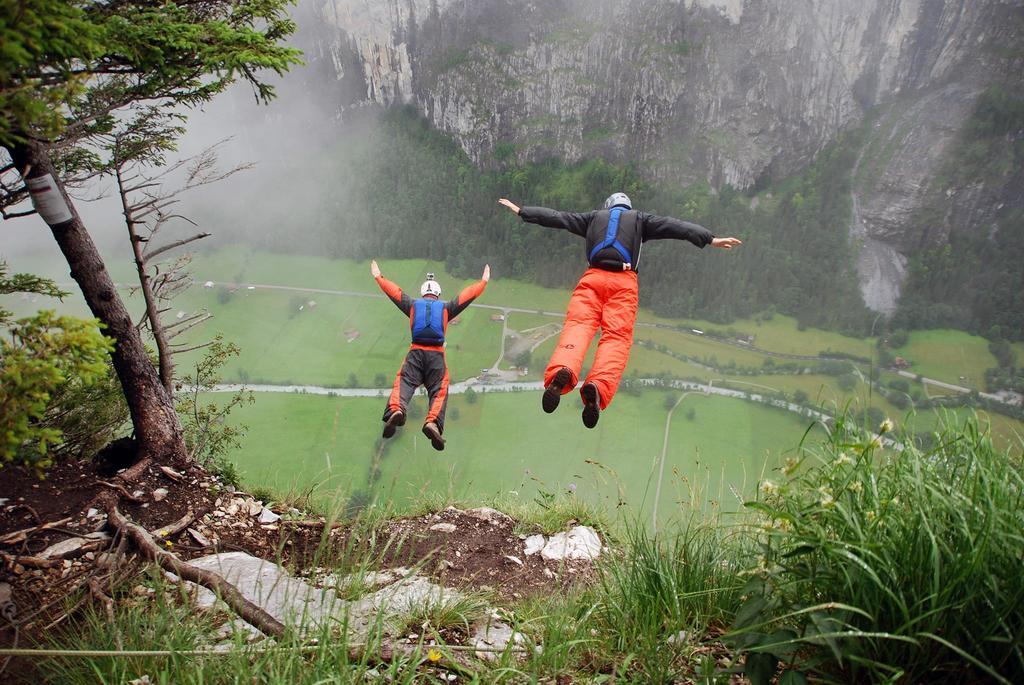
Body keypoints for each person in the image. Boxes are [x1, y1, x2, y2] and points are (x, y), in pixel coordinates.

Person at [498, 192, 741, 428]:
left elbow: (558, 218)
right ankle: (598, 386)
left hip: (592, 280)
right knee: (616, 339)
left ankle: (563, 371)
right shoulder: (641, 219)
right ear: (627, 207)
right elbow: (675, 226)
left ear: (608, 206)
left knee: (578, 327)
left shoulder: (593, 218)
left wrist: (523, 211)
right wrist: (710, 238)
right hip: (623, 286)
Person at [372, 260, 490, 450]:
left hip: (415, 354)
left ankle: (396, 409)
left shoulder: (412, 305)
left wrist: (379, 276)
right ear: (438, 294)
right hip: (436, 356)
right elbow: (465, 297)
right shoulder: (445, 308)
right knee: (439, 389)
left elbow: (395, 293)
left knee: (404, 382)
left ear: (423, 293)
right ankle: (432, 422)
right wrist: (483, 282)